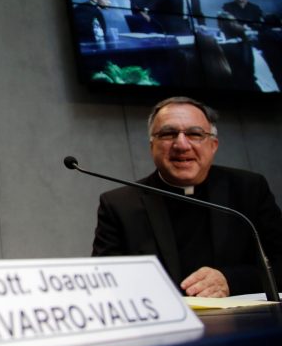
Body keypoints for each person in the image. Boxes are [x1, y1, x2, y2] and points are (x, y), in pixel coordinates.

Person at [92, 96, 282, 297]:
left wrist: (231, 280)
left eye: (194, 134)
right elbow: (106, 283)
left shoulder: (248, 189)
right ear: (152, 146)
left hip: (247, 322)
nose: (181, 145)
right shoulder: (119, 205)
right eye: (168, 134)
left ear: (213, 145)